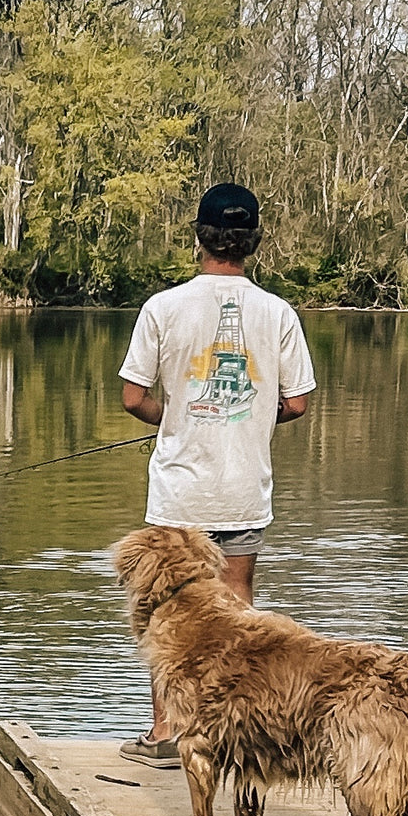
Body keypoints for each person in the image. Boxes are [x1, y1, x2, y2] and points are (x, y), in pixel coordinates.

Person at [116, 182, 316, 766]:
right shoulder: (278, 313)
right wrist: (254, 413)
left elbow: (133, 398)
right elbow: (298, 403)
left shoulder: (163, 307)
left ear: (199, 237)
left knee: (162, 611)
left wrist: (170, 417)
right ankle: (232, 730)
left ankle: (165, 733)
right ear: (252, 240)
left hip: (179, 491)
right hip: (241, 491)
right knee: (238, 609)